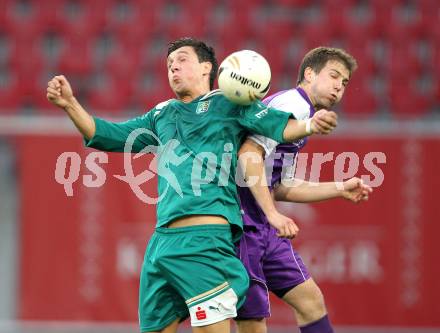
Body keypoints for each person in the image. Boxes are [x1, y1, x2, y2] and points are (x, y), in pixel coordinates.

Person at [46, 38, 338, 333]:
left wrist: (310, 125)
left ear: (206, 68)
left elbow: (279, 126)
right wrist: (70, 104)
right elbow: (106, 134)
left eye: (182, 59)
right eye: (170, 63)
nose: (173, 65)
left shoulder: (230, 102)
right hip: (161, 246)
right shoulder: (161, 114)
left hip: (206, 240)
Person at [235, 47, 372, 333]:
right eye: (334, 76)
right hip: (244, 221)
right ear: (309, 73)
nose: (339, 86)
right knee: (252, 320)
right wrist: (272, 213)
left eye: (345, 82)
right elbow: (248, 154)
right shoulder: (292, 104)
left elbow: (281, 185)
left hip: (264, 224)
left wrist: (338, 188)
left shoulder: (302, 114)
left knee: (310, 302)